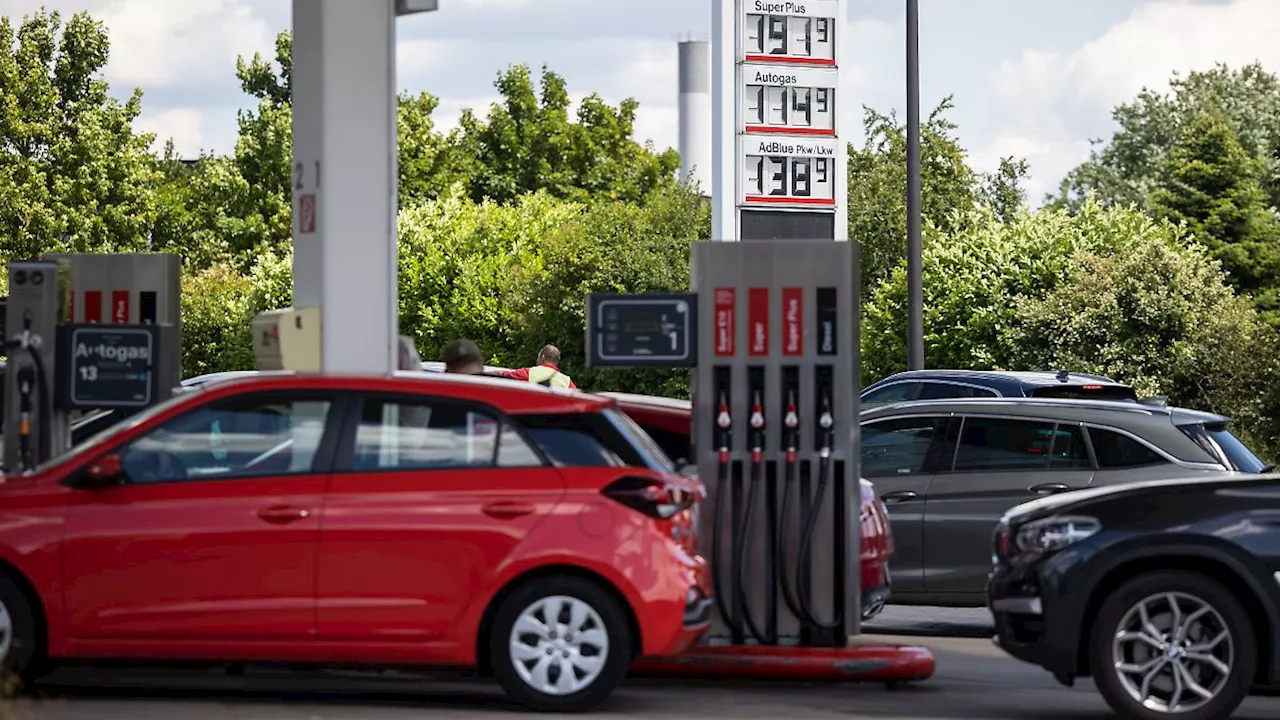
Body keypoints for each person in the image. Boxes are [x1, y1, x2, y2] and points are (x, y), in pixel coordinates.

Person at [502, 344, 576, 389]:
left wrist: (491, 371)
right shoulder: (567, 381)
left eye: (538, 357)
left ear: (542, 357)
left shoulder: (529, 372)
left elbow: (504, 375)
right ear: (556, 362)